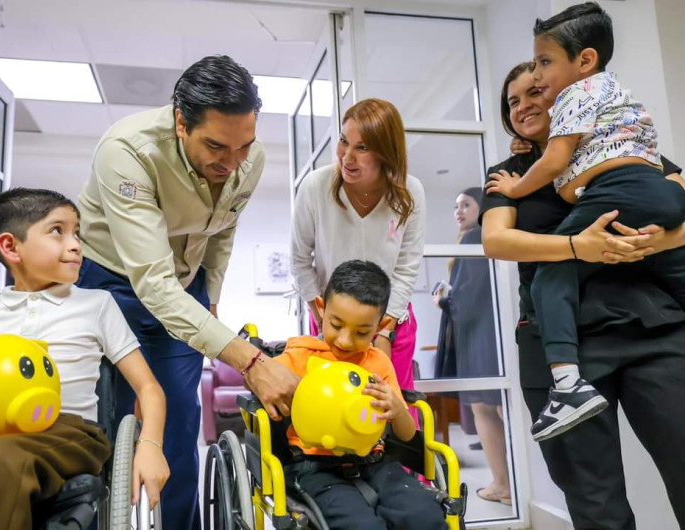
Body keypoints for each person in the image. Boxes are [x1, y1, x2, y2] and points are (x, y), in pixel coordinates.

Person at [74, 55, 298, 528]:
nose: (232, 162)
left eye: (243, 146)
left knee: (177, 426)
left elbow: (223, 229)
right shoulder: (126, 151)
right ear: (181, 122)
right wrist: (251, 362)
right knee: (106, 427)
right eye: (216, 146)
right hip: (112, 281)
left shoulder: (249, 157)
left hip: (184, 278)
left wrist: (210, 299)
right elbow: (151, 282)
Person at [481, 60, 685, 528]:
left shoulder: (621, 144)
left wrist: (651, 242)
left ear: (564, 94)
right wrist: (576, 246)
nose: (523, 106)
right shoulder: (509, 173)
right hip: (557, 346)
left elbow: (679, 207)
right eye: (512, 102)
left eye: (534, 92)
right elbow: (496, 241)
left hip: (649, 330)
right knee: (595, 503)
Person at [0, 188, 170, 529]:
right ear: (11, 247)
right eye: (58, 231)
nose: (76, 245)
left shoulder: (96, 304)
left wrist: (151, 445)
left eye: (77, 233)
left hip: (69, 432)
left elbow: (149, 388)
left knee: (0, 459)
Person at [275, 260, 446, 530]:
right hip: (315, 466)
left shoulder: (378, 362)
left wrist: (397, 410)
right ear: (321, 309)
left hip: (375, 462)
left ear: (380, 326)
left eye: (362, 332)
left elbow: (405, 435)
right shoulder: (299, 356)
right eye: (336, 325)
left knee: (426, 517)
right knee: (361, 525)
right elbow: (261, 386)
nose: (345, 340)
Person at [290, 98, 425, 410]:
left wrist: (384, 331)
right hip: (333, 319)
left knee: (394, 411)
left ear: (386, 152)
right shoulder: (315, 186)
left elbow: (407, 266)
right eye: (343, 141)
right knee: (333, 410)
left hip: (391, 318)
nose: (346, 157)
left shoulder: (410, 191)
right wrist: (322, 316)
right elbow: (300, 259)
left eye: (362, 148)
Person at [432, 188, 510, 505]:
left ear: (482, 208)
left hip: (480, 335)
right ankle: (510, 485)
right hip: (490, 331)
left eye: (466, 204)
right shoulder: (487, 236)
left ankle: (504, 485)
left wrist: (443, 301)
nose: (459, 211)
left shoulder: (475, 237)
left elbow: (466, 295)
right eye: (456, 206)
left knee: (488, 408)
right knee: (496, 408)